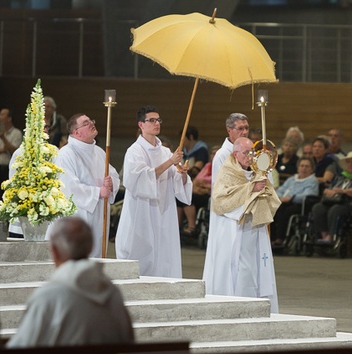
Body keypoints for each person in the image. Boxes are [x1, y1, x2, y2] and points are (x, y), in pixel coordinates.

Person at [7, 217, 134, 348]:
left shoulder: (48, 296)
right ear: (90, 248)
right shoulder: (113, 294)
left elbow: (18, 351)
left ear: (54, 251)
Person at [203, 137, 280, 312]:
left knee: (258, 267)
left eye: (252, 153)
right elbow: (221, 199)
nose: (250, 156)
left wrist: (264, 186)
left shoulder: (257, 171)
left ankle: (260, 305)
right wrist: (251, 188)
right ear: (235, 154)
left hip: (256, 227)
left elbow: (270, 194)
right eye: (246, 153)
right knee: (242, 269)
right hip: (236, 229)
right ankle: (239, 306)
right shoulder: (228, 171)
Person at [115, 106, 192, 278]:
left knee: (164, 251)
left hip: (164, 209)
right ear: (141, 124)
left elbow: (176, 180)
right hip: (142, 209)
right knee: (142, 252)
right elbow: (137, 179)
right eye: (152, 120)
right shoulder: (134, 151)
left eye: (158, 120)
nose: (157, 123)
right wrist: (169, 162)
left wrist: (183, 175)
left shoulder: (165, 151)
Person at [55, 114, 120, 258]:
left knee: (96, 253)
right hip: (78, 215)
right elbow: (69, 187)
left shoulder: (99, 152)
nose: (91, 123)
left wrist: (111, 184)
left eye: (92, 120)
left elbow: (114, 174)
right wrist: (98, 192)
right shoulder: (65, 154)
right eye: (86, 123)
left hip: (99, 214)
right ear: (76, 132)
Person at [311, 151, 352, 245]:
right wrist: (329, 191)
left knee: (335, 210)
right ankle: (323, 235)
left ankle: (331, 236)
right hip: (333, 201)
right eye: (348, 162)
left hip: (349, 204)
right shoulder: (339, 177)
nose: (350, 164)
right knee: (318, 208)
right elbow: (328, 188)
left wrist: (344, 191)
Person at [271, 156, 319, 247]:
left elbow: (308, 195)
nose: (304, 168)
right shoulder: (292, 179)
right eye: (302, 166)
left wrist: (292, 197)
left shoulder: (312, 181)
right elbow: (280, 190)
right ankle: (271, 237)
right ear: (298, 167)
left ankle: (280, 238)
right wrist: (280, 197)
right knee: (273, 209)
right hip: (284, 202)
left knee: (285, 211)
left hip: (301, 205)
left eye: (307, 166)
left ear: (312, 169)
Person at [0, 107, 23, 204]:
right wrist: (1, 150)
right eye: (0, 115)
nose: (0, 117)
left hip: (8, 170)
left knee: (8, 198)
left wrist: (3, 138)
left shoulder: (16, 133)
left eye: (2, 115)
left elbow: (15, 152)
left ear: (9, 118)